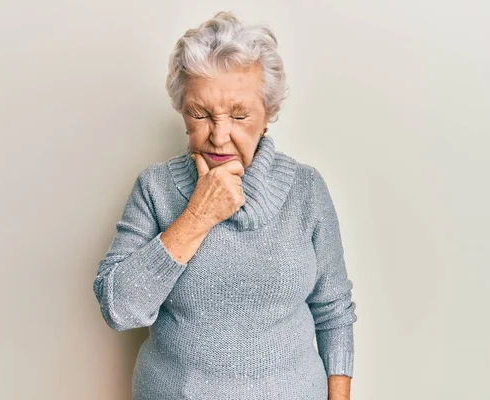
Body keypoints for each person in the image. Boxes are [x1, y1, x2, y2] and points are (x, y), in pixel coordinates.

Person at [93, 11, 358, 400]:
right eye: (200, 114)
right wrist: (198, 216)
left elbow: (334, 308)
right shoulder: (156, 188)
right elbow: (119, 308)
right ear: (182, 112)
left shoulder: (306, 189)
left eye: (239, 115)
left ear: (267, 115)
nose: (219, 136)